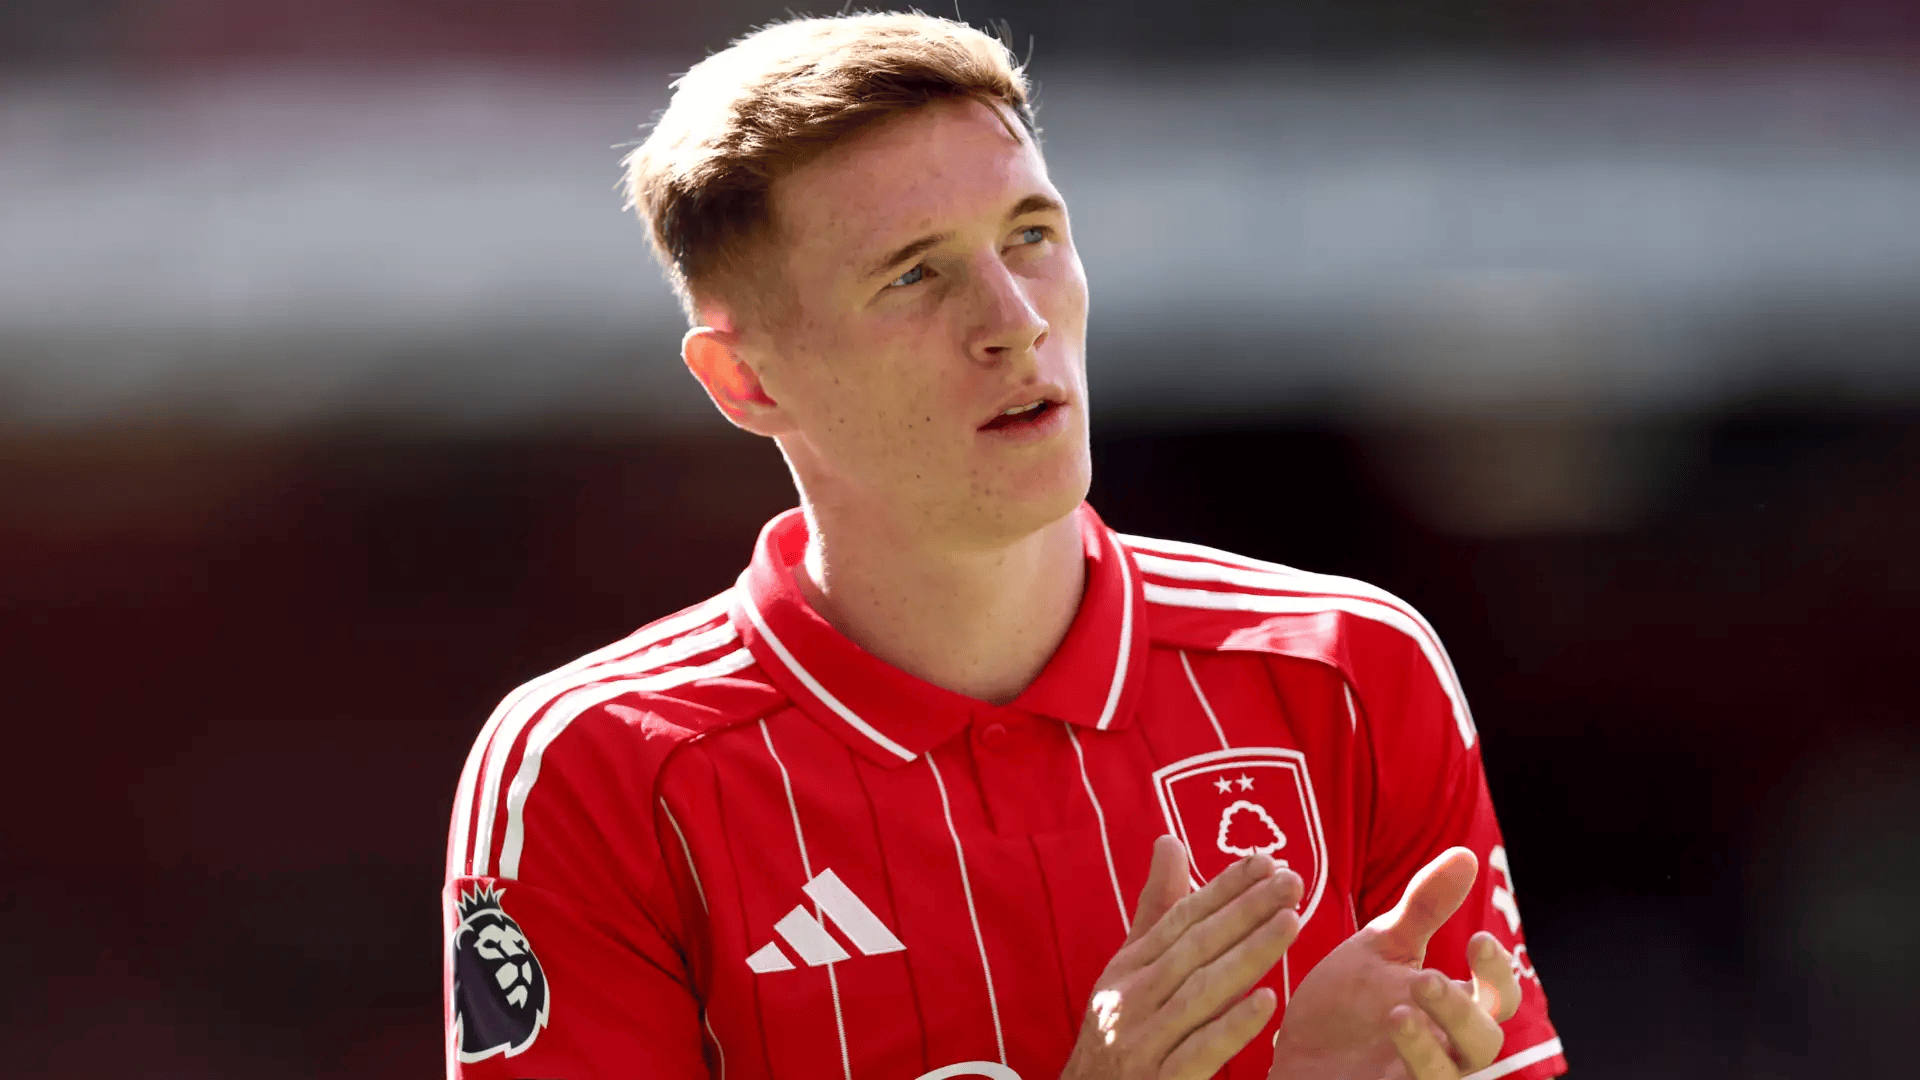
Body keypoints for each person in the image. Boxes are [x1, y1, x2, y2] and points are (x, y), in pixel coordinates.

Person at [443, 13, 1566, 1080]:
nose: (1015, 319)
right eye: (913, 274)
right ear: (745, 379)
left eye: (1031, 235)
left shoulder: (1350, 666)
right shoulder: (595, 768)